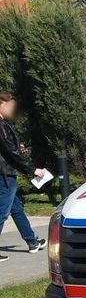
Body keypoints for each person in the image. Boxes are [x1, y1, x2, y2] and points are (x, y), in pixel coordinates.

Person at [0, 92, 47, 263]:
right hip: (4, 175)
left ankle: (32, 242)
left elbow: (8, 149)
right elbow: (10, 154)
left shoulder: (3, 125)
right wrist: (32, 169)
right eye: (11, 105)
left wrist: (17, 147)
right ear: (2, 104)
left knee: (16, 209)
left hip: (5, 173)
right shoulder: (1, 126)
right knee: (2, 213)